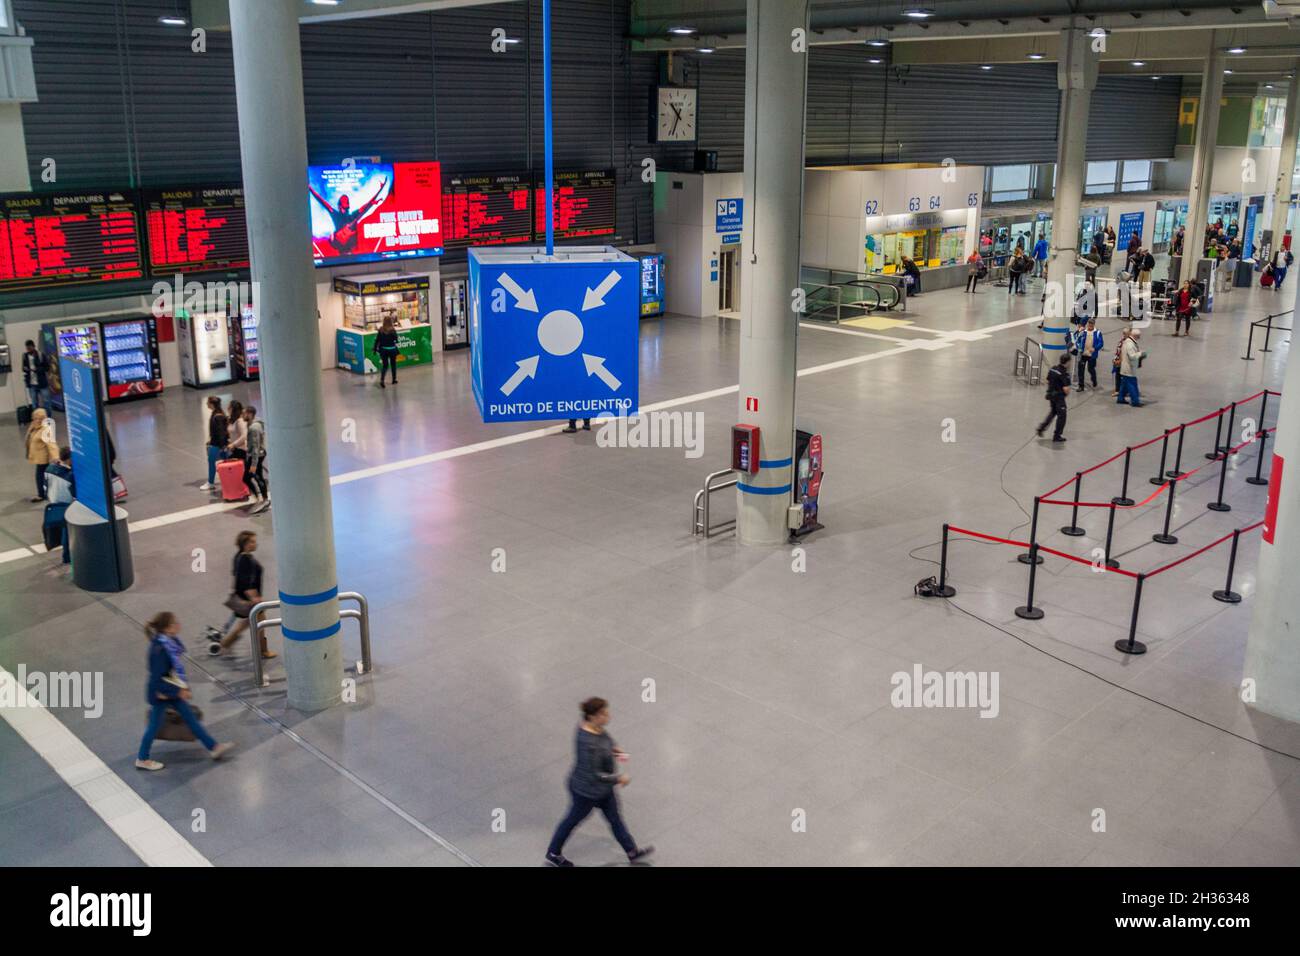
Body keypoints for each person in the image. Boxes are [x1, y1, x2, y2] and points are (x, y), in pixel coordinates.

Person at [545, 697, 653, 867]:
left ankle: (631, 851)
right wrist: (619, 778)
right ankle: (553, 852)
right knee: (571, 821)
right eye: (603, 713)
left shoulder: (595, 727)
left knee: (615, 820)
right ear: (593, 716)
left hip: (603, 790)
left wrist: (613, 749)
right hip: (585, 792)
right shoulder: (588, 743)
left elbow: (605, 738)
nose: (607, 715)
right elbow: (595, 775)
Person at [136, 611, 234, 771]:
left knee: (190, 719)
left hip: (170, 690)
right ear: (167, 628)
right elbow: (157, 676)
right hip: (162, 693)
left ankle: (214, 747)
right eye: (174, 623)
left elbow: (172, 671)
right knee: (154, 725)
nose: (178, 625)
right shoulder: (160, 650)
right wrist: (176, 692)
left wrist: (181, 688)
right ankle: (142, 758)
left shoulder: (167, 642)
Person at [210, 531, 275, 658]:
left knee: (250, 624)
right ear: (245, 544)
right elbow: (247, 583)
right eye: (252, 541)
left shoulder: (239, 556)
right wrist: (255, 599)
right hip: (251, 600)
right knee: (259, 625)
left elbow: (236, 576)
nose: (255, 543)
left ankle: (226, 643)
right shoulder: (246, 560)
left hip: (245, 598)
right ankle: (263, 651)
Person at [44, 446, 75, 564]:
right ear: (69, 459)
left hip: (52, 502)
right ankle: (66, 557)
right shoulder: (70, 475)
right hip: (65, 506)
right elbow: (74, 494)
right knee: (66, 531)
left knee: (58, 527)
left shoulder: (49, 468)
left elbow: (45, 486)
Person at [24, 408, 59, 503]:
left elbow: (52, 444)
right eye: (35, 418)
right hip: (37, 456)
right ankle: (44, 493)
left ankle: (41, 495)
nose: (38, 420)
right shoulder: (34, 425)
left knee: (40, 476)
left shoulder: (46, 430)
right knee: (43, 476)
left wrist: (56, 457)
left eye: (40, 418)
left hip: (43, 458)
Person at [1035, 355, 1071, 443]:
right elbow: (1066, 389)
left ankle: (1041, 428)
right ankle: (1057, 436)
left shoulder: (1053, 368)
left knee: (1053, 412)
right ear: (1067, 362)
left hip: (1051, 395)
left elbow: (1047, 380)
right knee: (1062, 416)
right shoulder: (1064, 374)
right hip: (1059, 397)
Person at [242, 406, 270, 512]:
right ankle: (261, 498)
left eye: (244, 413)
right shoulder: (255, 425)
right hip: (258, 455)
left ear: (249, 414)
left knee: (256, 477)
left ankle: (263, 499)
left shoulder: (254, 428)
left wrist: (253, 463)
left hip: (256, 457)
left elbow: (255, 447)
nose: (243, 416)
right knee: (254, 477)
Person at [200, 395, 228, 492]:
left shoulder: (217, 416)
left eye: (208, 403)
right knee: (223, 462)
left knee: (211, 461)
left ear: (212, 404)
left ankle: (211, 482)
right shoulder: (217, 414)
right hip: (217, 443)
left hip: (217, 444)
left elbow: (221, 432)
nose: (206, 404)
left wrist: (221, 446)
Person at [1116, 328, 1147, 407]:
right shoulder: (1130, 344)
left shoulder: (1129, 342)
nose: (1139, 338)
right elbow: (1132, 356)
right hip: (1128, 368)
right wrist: (1140, 354)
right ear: (1135, 336)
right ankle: (1135, 401)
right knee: (1132, 385)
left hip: (1126, 368)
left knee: (1124, 384)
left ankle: (1120, 398)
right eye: (1139, 336)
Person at [1073, 319, 1103, 391]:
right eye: (1089, 324)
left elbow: (1101, 343)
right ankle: (1081, 386)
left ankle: (1094, 380)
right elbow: (1075, 337)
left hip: (1092, 355)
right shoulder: (1083, 332)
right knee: (1081, 370)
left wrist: (1095, 348)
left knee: (1091, 369)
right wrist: (1078, 331)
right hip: (1083, 354)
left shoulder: (1098, 333)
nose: (1090, 325)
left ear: (1094, 324)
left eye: (1091, 324)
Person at [21, 340, 50, 412]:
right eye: (27, 348)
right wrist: (25, 369)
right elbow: (23, 368)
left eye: (30, 348)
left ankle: (48, 418)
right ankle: (36, 419)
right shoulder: (25, 356)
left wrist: (36, 369)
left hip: (42, 382)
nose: (28, 349)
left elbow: (47, 367)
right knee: (34, 403)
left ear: (33, 346)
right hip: (31, 383)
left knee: (46, 401)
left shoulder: (40, 355)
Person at [374, 317, 400, 387]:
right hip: (392, 349)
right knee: (393, 364)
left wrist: (375, 348)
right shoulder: (392, 330)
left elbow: (377, 340)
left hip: (383, 350)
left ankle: (382, 380)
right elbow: (396, 339)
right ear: (391, 322)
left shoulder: (381, 329)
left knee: (385, 365)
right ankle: (394, 380)